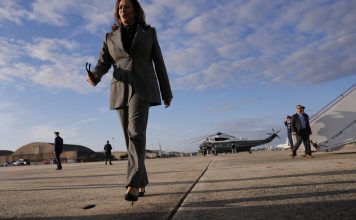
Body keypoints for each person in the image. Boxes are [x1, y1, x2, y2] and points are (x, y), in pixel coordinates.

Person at [86, 0, 172, 203]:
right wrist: (95, 76)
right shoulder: (110, 37)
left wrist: (166, 91)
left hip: (142, 87)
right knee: (129, 138)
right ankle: (141, 180)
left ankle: (132, 184)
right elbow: (103, 62)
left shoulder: (148, 33)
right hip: (120, 88)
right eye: (120, 7)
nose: (123, 9)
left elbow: (159, 62)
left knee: (136, 133)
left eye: (127, 6)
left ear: (135, 10)